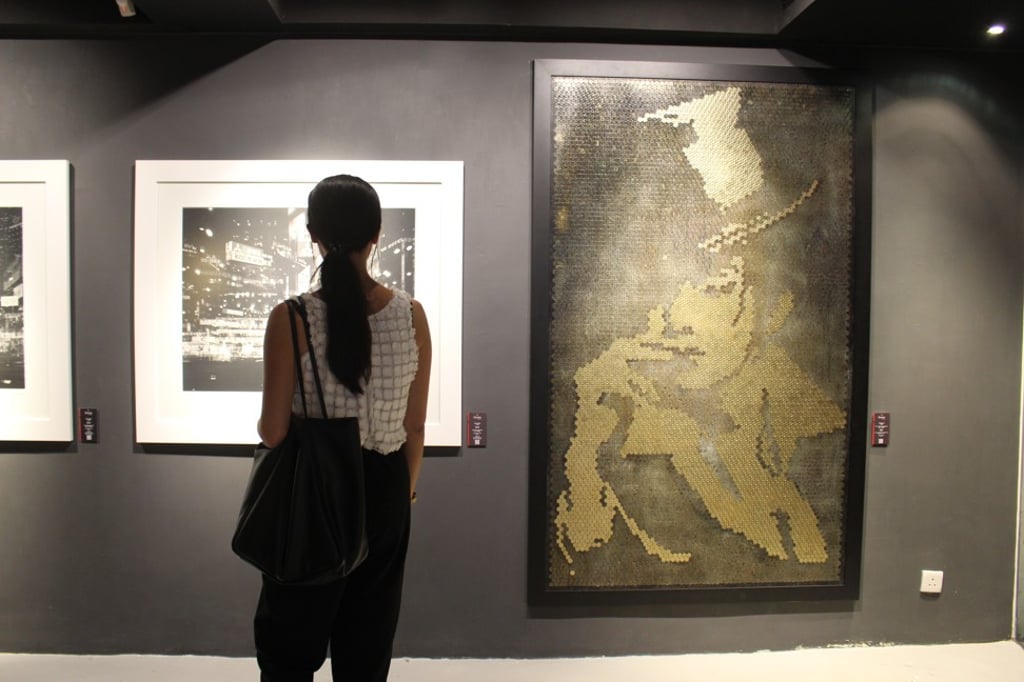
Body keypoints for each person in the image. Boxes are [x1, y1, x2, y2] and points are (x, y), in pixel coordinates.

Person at [253, 174, 431, 682]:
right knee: (367, 649)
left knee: (290, 646)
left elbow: (273, 432)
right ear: (375, 234)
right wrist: (405, 492)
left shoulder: (290, 319)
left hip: (316, 492)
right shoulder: (411, 316)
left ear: (314, 235)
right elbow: (413, 427)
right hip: (387, 488)